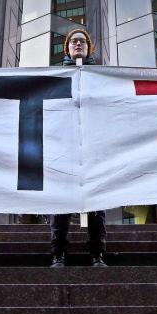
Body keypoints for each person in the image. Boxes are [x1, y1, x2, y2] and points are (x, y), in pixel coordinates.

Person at [49, 28, 107, 267]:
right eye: (74, 41)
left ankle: (97, 254)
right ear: (67, 48)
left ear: (89, 47)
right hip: (64, 147)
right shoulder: (56, 75)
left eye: (83, 41)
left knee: (96, 205)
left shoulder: (102, 77)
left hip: (93, 148)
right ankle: (58, 254)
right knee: (60, 204)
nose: (78, 44)